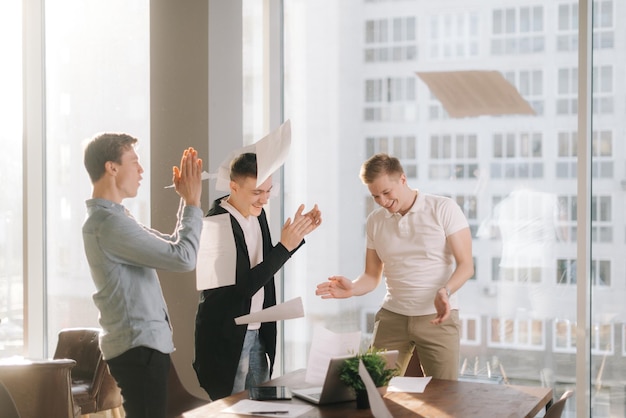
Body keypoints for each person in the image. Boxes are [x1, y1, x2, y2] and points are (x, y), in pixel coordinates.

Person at [315, 153, 473, 380]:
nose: (382, 201)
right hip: (392, 317)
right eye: (375, 196)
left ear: (403, 179)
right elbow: (371, 276)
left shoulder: (443, 208)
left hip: (437, 317)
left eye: (386, 192)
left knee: (444, 396)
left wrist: (445, 291)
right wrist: (352, 289)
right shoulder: (375, 221)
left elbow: (466, 265)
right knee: (371, 387)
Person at [82, 133, 203, 418]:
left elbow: (175, 246)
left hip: (142, 347)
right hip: (139, 349)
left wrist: (188, 202)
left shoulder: (116, 219)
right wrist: (193, 201)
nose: (141, 170)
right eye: (134, 162)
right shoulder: (110, 225)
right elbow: (183, 257)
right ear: (112, 167)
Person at [193, 152, 322, 400]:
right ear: (234, 186)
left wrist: (294, 237)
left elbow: (262, 268)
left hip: (257, 330)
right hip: (228, 336)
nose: (264, 199)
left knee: (261, 406)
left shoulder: (256, 213)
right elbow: (243, 287)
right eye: (256, 192)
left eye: (268, 191)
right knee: (231, 408)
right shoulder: (217, 223)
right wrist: (285, 247)